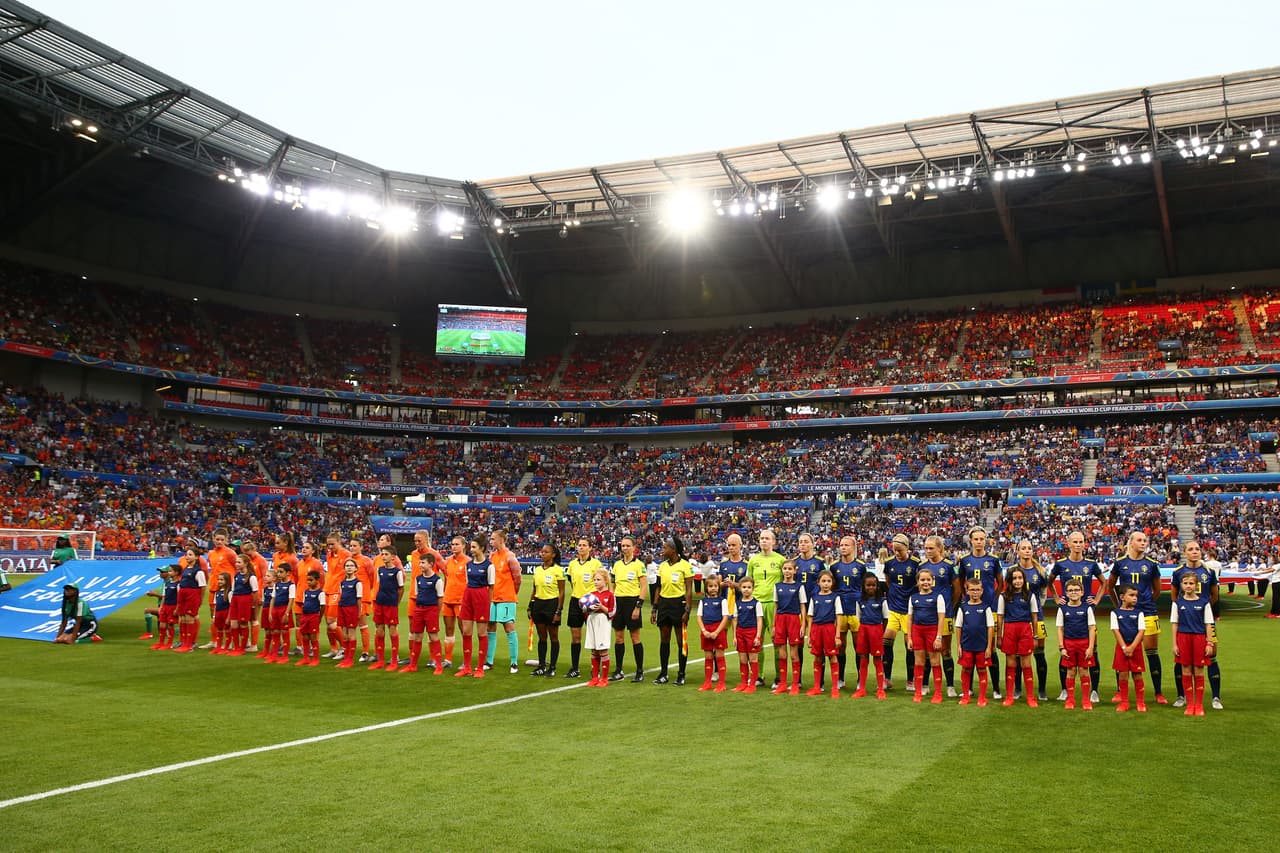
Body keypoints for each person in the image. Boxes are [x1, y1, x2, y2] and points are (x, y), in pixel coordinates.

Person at [1106, 531, 1166, 704]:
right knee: (1123, 650)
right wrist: (1120, 606)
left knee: (1152, 652)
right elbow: (1111, 587)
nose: (1143, 543)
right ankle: (1120, 691)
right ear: (1130, 542)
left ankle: (1158, 692)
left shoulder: (1152, 564)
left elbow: (1157, 590)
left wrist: (1145, 603)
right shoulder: (1120, 563)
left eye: (1145, 540)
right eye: (1139, 540)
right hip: (1125, 615)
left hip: (1148, 612)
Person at [1049, 530, 1105, 704]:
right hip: (1068, 612)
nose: (1079, 544)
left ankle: (1094, 690)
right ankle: (1065, 690)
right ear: (1068, 543)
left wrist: (1095, 600)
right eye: (1075, 542)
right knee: (1065, 650)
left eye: (1081, 541)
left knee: (1092, 650)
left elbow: (1104, 583)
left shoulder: (1091, 564)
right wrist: (1057, 598)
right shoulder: (1060, 564)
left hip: (1087, 612)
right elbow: (1049, 581)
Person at [1171, 541, 1223, 710]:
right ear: (1185, 553)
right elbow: (1174, 597)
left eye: (1197, 549)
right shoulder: (1178, 572)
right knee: (1182, 660)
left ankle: (1216, 697)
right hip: (1185, 622)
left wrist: (1202, 610)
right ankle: (1182, 696)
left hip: (1205, 621)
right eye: (1191, 549)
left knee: (1211, 655)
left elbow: (1214, 595)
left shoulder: (1208, 571)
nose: (1195, 552)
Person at [957, 526, 1002, 699]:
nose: (979, 542)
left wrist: (993, 600)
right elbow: (961, 582)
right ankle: (968, 689)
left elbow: (1000, 582)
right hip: (971, 608)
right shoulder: (965, 560)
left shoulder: (993, 560)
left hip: (989, 608)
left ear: (986, 540)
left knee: (991, 650)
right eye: (976, 539)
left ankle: (996, 688)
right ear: (971, 541)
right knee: (970, 647)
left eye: (982, 539)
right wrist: (966, 598)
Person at [1009, 538, 1050, 702]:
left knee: (1039, 653)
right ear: (1018, 551)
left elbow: (1043, 593)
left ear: (1033, 551)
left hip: (1036, 618)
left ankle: (1041, 690)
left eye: (1029, 548)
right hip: (1017, 619)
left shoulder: (1040, 571)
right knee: (1018, 655)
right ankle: (1018, 688)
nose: (1026, 550)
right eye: (1023, 548)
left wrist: (1037, 608)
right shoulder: (1012, 571)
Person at [1170, 571, 1216, 716]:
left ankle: (1199, 705)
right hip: (1183, 638)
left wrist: (1209, 643)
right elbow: (1174, 625)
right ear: (1181, 585)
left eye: (1191, 583)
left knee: (1199, 670)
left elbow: (1208, 624)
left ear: (1196, 585)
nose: (1188, 586)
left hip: (1199, 638)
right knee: (1186, 670)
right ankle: (1190, 705)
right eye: (1185, 583)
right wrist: (1174, 644)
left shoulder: (1204, 603)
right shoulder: (1177, 603)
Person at [651, 536, 694, 685]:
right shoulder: (662, 566)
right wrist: (654, 608)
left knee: (681, 640)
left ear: (673, 550)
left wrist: (687, 610)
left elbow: (689, 590)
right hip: (664, 604)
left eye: (665, 548)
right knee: (664, 639)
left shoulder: (685, 566)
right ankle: (664, 673)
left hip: (679, 604)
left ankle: (681, 674)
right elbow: (658, 587)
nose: (663, 550)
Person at [996, 565, 1041, 707]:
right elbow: (1000, 618)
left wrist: (1035, 636)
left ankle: (1030, 697)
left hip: (1025, 630)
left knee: (1026, 663)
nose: (1017, 581)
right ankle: (1009, 696)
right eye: (1014, 578)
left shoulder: (1030, 595)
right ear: (1009, 580)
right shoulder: (1004, 596)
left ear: (1024, 579)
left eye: (1020, 578)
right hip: (1009, 630)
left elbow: (1034, 617)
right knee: (1010, 663)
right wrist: (999, 636)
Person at [920, 534, 959, 697]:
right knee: (928, 652)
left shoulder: (949, 566)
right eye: (926, 548)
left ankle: (950, 686)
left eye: (931, 548)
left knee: (945, 651)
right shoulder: (921, 566)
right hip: (927, 615)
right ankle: (924, 685)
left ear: (940, 548)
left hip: (945, 615)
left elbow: (957, 589)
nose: (928, 551)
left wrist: (950, 606)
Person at [881, 533, 920, 692]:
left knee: (909, 646)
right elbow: (889, 581)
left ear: (907, 548)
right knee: (886, 642)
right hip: (894, 609)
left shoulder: (916, 563)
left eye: (900, 550)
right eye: (895, 550)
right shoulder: (889, 563)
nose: (897, 553)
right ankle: (887, 678)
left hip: (909, 611)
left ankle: (910, 680)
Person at [747, 528, 785, 686]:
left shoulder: (781, 560)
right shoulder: (753, 560)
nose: (764, 540)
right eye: (761, 538)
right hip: (756, 604)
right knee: (757, 642)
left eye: (767, 538)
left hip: (774, 604)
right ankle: (758, 676)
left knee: (777, 641)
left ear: (773, 542)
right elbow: (748, 583)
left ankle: (779, 677)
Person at [905, 566, 946, 704]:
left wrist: (939, 637)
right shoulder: (913, 598)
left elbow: (941, 618)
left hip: (932, 631)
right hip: (917, 631)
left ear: (933, 581)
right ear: (918, 582)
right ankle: (918, 693)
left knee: (935, 661)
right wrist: (909, 637)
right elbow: (909, 618)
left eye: (928, 579)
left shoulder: (938, 597)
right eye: (922, 580)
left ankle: (938, 693)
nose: (925, 582)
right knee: (919, 662)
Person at [564, 537, 604, 679]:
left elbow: (601, 583)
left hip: (591, 603)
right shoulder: (572, 564)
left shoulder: (596, 564)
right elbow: (571, 581)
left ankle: (597, 669)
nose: (581, 547)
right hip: (576, 602)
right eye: (579, 545)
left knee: (594, 637)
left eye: (584, 545)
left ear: (590, 548)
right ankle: (575, 668)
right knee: (575, 637)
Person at [610, 535, 648, 682]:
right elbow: (613, 584)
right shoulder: (617, 565)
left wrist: (638, 606)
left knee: (635, 637)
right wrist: (612, 601)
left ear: (634, 548)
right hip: (618, 602)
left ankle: (640, 671)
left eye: (627, 545)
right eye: (623, 545)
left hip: (632, 602)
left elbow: (644, 586)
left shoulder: (639, 565)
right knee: (619, 637)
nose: (624, 548)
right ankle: (619, 670)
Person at [456, 535, 494, 679]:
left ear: (482, 548)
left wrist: (487, 604)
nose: (471, 550)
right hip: (468, 596)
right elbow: (467, 582)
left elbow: (491, 587)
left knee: (481, 633)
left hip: (481, 597)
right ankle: (467, 667)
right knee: (466, 632)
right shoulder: (469, 565)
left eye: (473, 547)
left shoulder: (489, 566)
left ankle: (479, 668)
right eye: (470, 547)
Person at [485, 530, 523, 674]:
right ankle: (489, 661)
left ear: (501, 540)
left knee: (509, 627)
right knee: (491, 627)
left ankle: (514, 663)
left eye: (493, 539)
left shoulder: (510, 556)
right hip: (492, 597)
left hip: (506, 597)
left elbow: (517, 578)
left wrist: (512, 593)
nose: (491, 541)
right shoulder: (492, 556)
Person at [832, 535, 867, 690]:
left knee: (858, 646)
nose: (843, 547)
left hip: (855, 610)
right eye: (841, 544)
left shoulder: (860, 566)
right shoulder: (834, 567)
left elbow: (866, 587)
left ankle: (861, 679)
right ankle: (840, 678)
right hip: (840, 611)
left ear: (854, 547)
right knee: (840, 646)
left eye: (846, 545)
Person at [954, 578, 995, 706]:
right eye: (972, 590)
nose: (975, 592)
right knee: (966, 669)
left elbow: (990, 627)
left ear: (982, 591)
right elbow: (958, 627)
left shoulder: (986, 608)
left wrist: (989, 647)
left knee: (982, 670)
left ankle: (982, 697)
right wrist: (959, 645)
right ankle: (965, 696)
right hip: (966, 645)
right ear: (967, 591)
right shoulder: (963, 607)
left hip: (982, 646)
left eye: (977, 590)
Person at [1056, 578, 1096, 711]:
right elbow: (1060, 629)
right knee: (1071, 671)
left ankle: (1085, 700)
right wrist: (1062, 647)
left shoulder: (1087, 608)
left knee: (1084, 671)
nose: (1073, 592)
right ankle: (1070, 699)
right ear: (1066, 593)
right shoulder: (1062, 609)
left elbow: (1092, 628)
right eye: (1070, 590)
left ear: (1082, 592)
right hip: (1069, 644)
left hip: (1084, 643)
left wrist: (1091, 647)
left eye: (1076, 590)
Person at [528, 543, 565, 677]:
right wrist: (530, 606)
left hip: (552, 604)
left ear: (553, 555)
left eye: (546, 552)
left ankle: (553, 667)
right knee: (542, 637)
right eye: (542, 552)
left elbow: (561, 592)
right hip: (538, 604)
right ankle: (542, 666)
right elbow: (534, 589)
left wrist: (558, 611)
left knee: (553, 636)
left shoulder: (558, 570)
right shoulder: (538, 570)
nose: (542, 554)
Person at [405, 551, 445, 674]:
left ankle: (438, 665)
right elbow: (417, 595)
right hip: (419, 609)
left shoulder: (437, 580)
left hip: (431, 610)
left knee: (433, 637)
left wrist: (435, 612)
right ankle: (413, 665)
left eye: (423, 563)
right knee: (417, 636)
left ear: (431, 564)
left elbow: (440, 598)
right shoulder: (418, 579)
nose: (420, 565)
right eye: (420, 562)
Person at [1110, 584, 1147, 713]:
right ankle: (1124, 702)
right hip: (1122, 648)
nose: (1135, 598)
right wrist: (1125, 647)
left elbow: (1141, 631)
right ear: (1122, 597)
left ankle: (1140, 702)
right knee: (1123, 675)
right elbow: (1116, 631)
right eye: (1131, 595)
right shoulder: (1115, 613)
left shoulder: (1139, 613)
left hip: (1135, 648)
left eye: (1136, 596)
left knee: (1137, 675)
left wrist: (1132, 647)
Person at [804, 569, 841, 698]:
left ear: (832, 583)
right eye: (823, 581)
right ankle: (816, 687)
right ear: (818, 582)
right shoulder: (814, 598)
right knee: (818, 657)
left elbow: (838, 617)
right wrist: (809, 636)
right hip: (816, 629)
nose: (826, 584)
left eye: (828, 581)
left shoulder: (835, 597)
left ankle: (835, 688)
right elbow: (810, 617)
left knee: (832, 656)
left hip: (829, 629)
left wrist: (837, 636)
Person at [771, 559, 806, 695]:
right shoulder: (777, 586)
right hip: (780, 619)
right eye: (785, 569)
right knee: (781, 653)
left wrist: (803, 624)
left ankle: (795, 684)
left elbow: (803, 606)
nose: (787, 571)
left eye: (790, 569)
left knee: (793, 653)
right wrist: (774, 625)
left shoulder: (799, 587)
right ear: (782, 570)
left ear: (795, 571)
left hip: (793, 619)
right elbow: (776, 606)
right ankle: (783, 684)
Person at [851, 574, 888, 699]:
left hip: (876, 630)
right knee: (863, 659)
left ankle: (880, 689)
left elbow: (885, 618)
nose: (871, 587)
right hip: (864, 630)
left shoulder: (882, 601)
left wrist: (880, 633)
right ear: (864, 586)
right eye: (868, 585)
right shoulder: (860, 601)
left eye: (873, 585)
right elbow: (858, 617)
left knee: (878, 659)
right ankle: (861, 688)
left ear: (877, 586)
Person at [370, 547, 405, 671]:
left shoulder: (397, 571)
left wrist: (397, 602)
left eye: (386, 554)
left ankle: (394, 661)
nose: (383, 556)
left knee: (392, 630)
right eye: (382, 554)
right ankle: (380, 660)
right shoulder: (380, 570)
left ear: (393, 557)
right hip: (380, 602)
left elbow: (401, 588)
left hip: (391, 604)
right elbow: (379, 585)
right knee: (379, 630)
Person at [204, 530, 238, 649]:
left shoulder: (230, 553)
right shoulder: (211, 553)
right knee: (214, 616)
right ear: (213, 539)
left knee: (229, 615)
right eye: (217, 539)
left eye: (222, 539)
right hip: (214, 587)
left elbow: (237, 568)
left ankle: (231, 641)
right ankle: (214, 641)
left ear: (226, 540)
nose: (219, 541)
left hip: (227, 589)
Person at [696, 573, 730, 692]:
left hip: (718, 629)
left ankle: (721, 683)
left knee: (719, 656)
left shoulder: (723, 601)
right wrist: (704, 630)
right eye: (710, 586)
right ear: (706, 588)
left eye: (715, 586)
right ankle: (707, 682)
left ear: (718, 587)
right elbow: (699, 617)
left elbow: (725, 617)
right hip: (706, 629)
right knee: (708, 656)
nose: (713, 588)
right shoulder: (703, 601)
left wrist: (717, 631)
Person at [584, 568, 617, 687]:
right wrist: (585, 608)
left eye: (598, 580)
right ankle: (594, 678)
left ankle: (604, 678)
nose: (596, 582)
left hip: (603, 621)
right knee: (593, 650)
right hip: (592, 620)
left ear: (606, 581)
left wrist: (602, 607)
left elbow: (612, 613)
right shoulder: (591, 595)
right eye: (594, 580)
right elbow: (586, 611)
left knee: (602, 650)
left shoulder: (610, 595)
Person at [323, 532, 353, 660]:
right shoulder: (329, 554)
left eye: (332, 544)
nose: (330, 547)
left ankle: (344, 648)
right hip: (327, 589)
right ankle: (334, 649)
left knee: (332, 621)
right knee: (327, 622)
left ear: (339, 542)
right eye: (328, 544)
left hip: (337, 590)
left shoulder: (346, 554)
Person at [440, 536, 469, 668]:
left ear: (463, 546)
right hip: (448, 599)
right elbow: (446, 579)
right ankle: (448, 659)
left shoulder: (468, 562)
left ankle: (466, 660)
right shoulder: (447, 561)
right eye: (452, 544)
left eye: (457, 544)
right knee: (449, 629)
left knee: (464, 630)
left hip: (461, 601)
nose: (454, 546)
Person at [731, 575, 763, 693]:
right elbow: (735, 620)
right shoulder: (737, 603)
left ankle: (752, 684)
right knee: (742, 659)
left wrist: (758, 636)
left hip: (752, 632)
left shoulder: (756, 603)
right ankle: (743, 683)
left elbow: (759, 620)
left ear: (753, 589)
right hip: (740, 632)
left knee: (753, 658)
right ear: (740, 588)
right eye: (744, 587)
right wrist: (734, 636)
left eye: (749, 587)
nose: (746, 589)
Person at [349, 536, 377, 662]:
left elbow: (372, 578)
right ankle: (349, 650)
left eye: (355, 546)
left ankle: (365, 652)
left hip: (362, 597)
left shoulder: (366, 560)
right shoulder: (348, 560)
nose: (352, 548)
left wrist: (365, 592)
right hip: (349, 598)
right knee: (350, 625)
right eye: (351, 545)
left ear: (361, 547)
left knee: (362, 625)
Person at [226, 553, 259, 657]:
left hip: (245, 600)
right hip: (235, 599)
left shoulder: (251, 576)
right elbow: (233, 589)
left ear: (246, 563)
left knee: (243, 623)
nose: (236, 564)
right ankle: (236, 647)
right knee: (233, 624)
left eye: (239, 562)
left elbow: (255, 592)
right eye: (236, 562)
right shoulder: (236, 575)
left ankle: (242, 648)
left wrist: (252, 605)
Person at [241, 539, 271, 655]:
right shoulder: (248, 561)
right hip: (247, 592)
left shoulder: (261, 561)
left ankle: (254, 645)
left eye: (249, 553)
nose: (247, 556)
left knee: (253, 618)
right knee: (246, 618)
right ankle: (247, 642)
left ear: (254, 550)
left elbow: (264, 578)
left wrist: (261, 595)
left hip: (256, 593)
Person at [334, 559, 363, 669]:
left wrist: (359, 612)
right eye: (347, 565)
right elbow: (341, 595)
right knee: (344, 634)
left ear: (356, 569)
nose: (349, 567)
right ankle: (345, 658)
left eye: (351, 565)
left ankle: (350, 660)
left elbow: (359, 599)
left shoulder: (357, 583)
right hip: (342, 608)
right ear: (344, 568)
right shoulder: (342, 582)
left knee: (351, 633)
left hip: (351, 609)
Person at [263, 564, 294, 664]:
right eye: (278, 572)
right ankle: (274, 655)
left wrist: (287, 613)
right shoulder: (277, 585)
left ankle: (285, 656)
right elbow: (273, 598)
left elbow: (291, 600)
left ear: (288, 573)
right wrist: (270, 612)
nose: (279, 574)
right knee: (275, 632)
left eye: (281, 572)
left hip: (284, 610)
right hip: (275, 610)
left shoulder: (291, 585)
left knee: (285, 633)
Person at [296, 569, 325, 667]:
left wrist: (319, 618)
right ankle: (306, 658)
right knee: (304, 636)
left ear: (317, 581)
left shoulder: (320, 593)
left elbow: (323, 607)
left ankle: (316, 659)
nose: (308, 582)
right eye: (307, 580)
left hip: (313, 616)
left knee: (313, 637)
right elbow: (304, 604)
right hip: (305, 616)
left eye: (311, 580)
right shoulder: (306, 592)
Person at [149, 565, 178, 650]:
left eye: (171, 571)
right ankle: (161, 642)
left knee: (170, 625)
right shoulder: (167, 584)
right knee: (162, 625)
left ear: (176, 573)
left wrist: (177, 608)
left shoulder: (178, 584)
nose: (169, 573)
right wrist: (161, 606)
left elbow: (179, 597)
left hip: (172, 606)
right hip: (165, 606)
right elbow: (165, 596)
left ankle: (169, 643)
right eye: (169, 571)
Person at [210, 571, 233, 655]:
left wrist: (229, 617)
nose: (219, 581)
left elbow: (231, 606)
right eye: (218, 579)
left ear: (227, 581)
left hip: (225, 612)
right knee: (219, 629)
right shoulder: (217, 592)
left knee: (227, 629)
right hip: (218, 613)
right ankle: (218, 647)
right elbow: (215, 605)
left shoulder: (229, 592)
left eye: (222, 580)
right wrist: (214, 616)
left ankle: (226, 647)